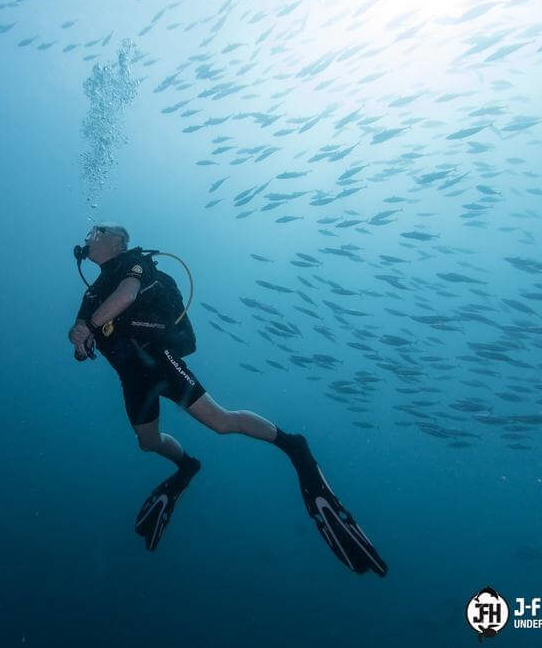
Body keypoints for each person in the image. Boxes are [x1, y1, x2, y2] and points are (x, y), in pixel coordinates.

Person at [68, 223, 387, 576]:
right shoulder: (92, 293)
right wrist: (78, 338)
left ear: (117, 241)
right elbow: (81, 336)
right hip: (131, 378)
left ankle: (295, 447)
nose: (88, 236)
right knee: (148, 442)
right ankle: (187, 466)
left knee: (221, 422)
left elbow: (127, 295)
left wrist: (89, 326)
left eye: (97, 231)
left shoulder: (135, 263)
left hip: (158, 360)